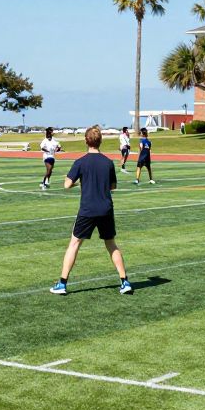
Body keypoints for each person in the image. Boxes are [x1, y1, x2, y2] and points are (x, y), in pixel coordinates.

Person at [50, 125, 132, 295]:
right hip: (106, 209)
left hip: (87, 209)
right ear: (100, 141)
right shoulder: (108, 162)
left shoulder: (80, 162)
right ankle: (125, 282)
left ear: (86, 141)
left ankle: (62, 283)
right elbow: (113, 186)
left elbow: (66, 185)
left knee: (74, 245)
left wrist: (79, 181)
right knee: (111, 244)